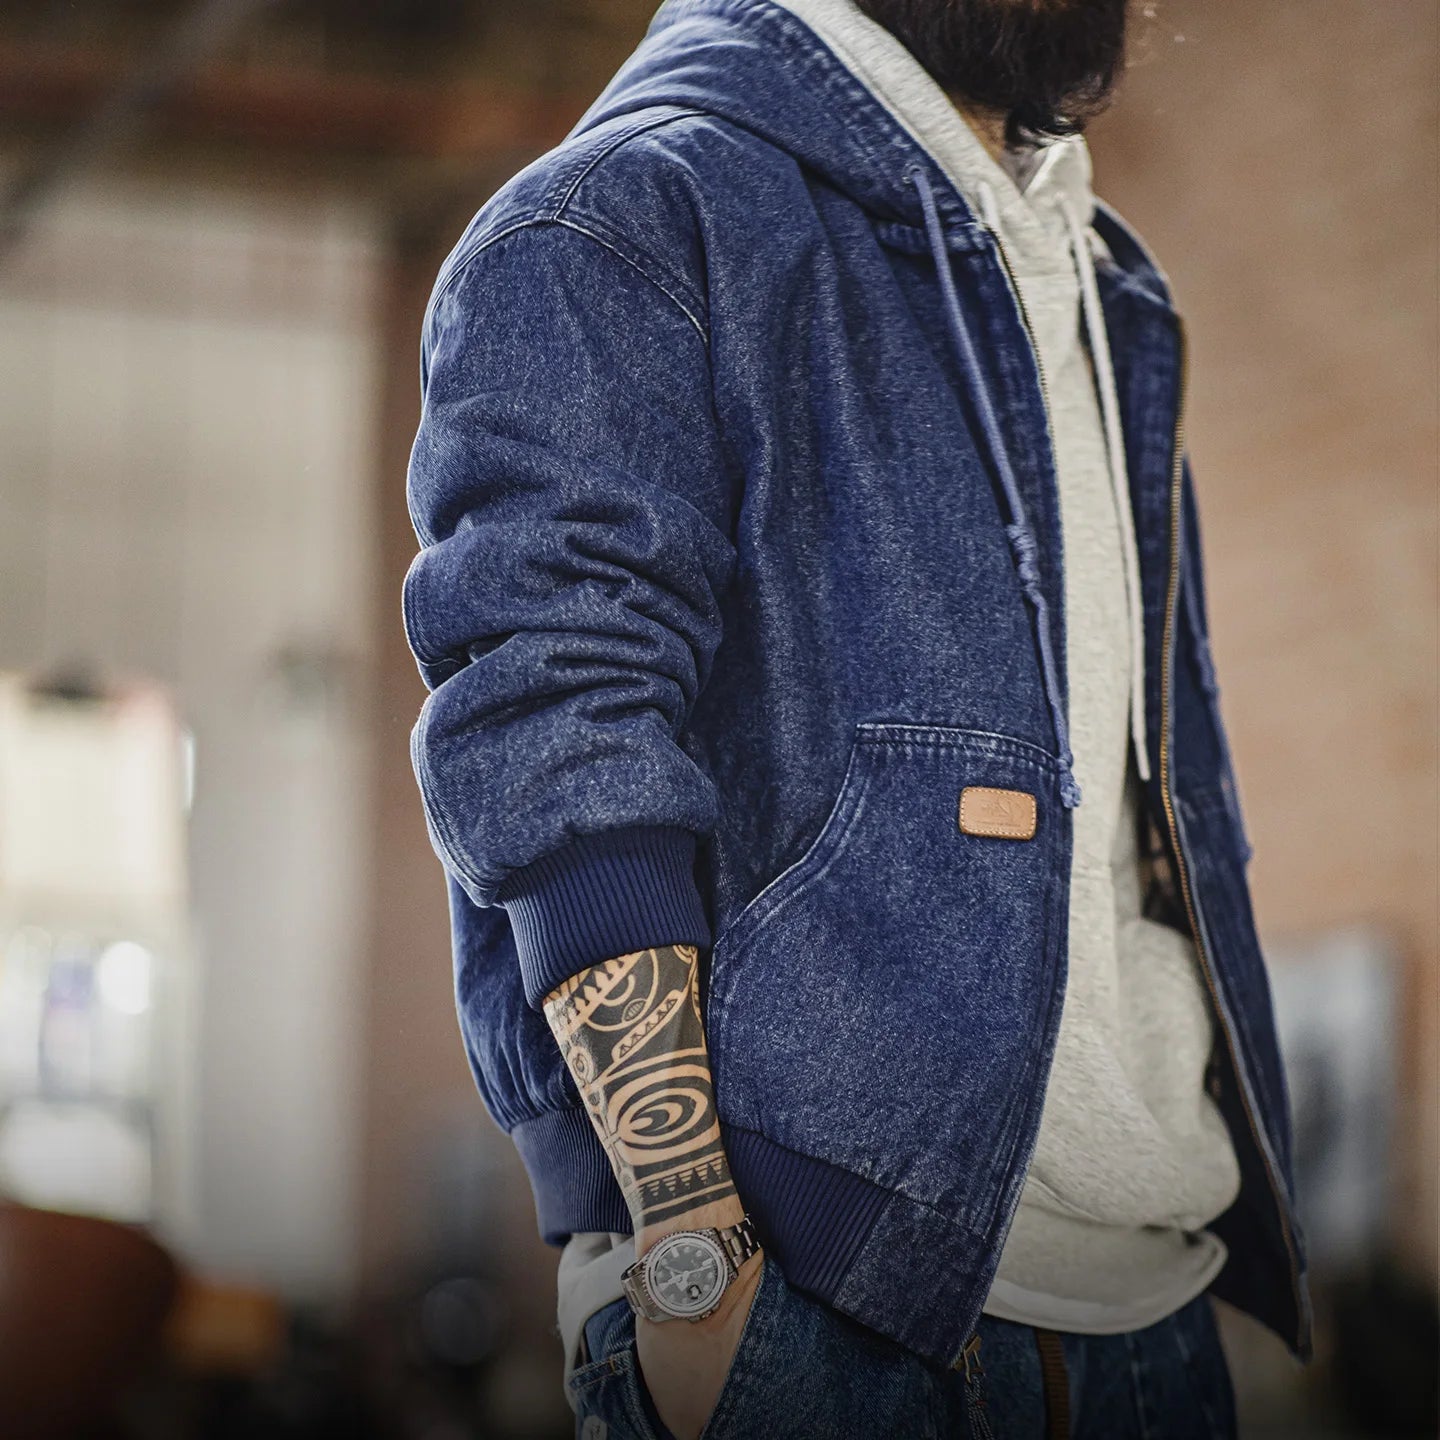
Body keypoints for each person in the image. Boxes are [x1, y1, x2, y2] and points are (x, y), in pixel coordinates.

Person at [403, 0, 1313, 1434]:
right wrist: (692, 1261)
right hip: (814, 1318)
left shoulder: (1102, 280)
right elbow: (555, 727)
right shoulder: (627, 212)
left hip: (1159, 1316)